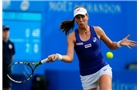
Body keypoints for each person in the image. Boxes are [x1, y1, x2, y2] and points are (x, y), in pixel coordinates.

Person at [46, 6, 136, 90]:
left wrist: (120, 43)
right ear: (75, 20)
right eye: (78, 18)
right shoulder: (72, 36)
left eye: (82, 16)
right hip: (86, 75)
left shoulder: (97, 30)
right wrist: (58, 56)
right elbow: (70, 58)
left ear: (87, 16)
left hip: (102, 68)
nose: (81, 20)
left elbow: (111, 45)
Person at [3, 25, 15, 90]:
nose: (6, 32)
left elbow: (12, 56)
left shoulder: (11, 44)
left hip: (7, 70)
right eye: (4, 31)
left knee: (7, 87)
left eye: (7, 31)